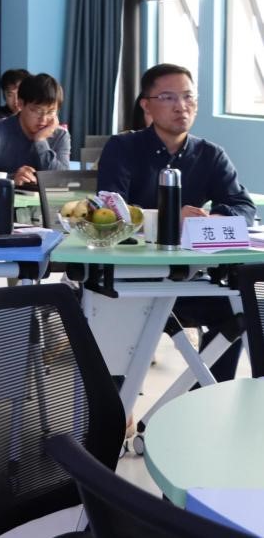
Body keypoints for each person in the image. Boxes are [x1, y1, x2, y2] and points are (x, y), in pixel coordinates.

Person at [98, 63, 256, 382]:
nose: (181, 106)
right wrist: (168, 218)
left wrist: (213, 219)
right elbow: (111, 211)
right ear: (146, 105)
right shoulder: (122, 148)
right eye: (168, 97)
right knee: (113, 367)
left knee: (237, 312)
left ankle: (208, 396)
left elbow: (244, 207)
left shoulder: (210, 155)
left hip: (188, 278)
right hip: (128, 277)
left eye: (188, 97)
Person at [0, 72, 71, 187]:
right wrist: (12, 180)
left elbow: (63, 181)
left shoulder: (60, 136)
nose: (43, 119)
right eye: (37, 111)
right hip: (4, 198)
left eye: (50, 112)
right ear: (20, 104)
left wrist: (40, 141)